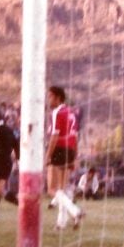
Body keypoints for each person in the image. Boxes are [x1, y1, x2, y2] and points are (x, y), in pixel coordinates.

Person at [45, 86, 84, 230]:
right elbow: (75, 135)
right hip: (70, 150)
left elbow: (55, 136)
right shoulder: (71, 112)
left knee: (52, 189)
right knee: (62, 189)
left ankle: (75, 211)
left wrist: (47, 156)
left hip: (59, 149)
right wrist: (75, 156)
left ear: (57, 98)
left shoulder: (57, 112)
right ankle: (61, 223)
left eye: (50, 97)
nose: (48, 100)